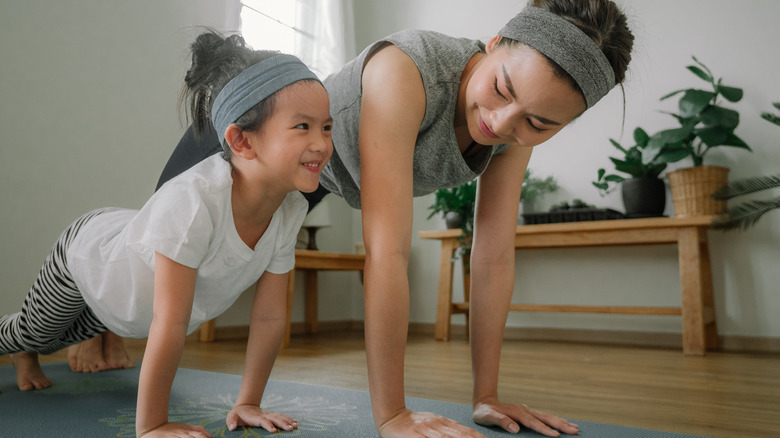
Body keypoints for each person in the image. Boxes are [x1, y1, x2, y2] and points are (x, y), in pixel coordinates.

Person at [154, 1, 635, 436]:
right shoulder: (406, 70)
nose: (502, 123)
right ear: (493, 45)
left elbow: (492, 255)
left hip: (319, 179)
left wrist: (485, 397)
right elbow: (387, 252)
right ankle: (95, 329)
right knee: (148, 261)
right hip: (261, 152)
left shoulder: (511, 131)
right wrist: (391, 414)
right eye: (501, 89)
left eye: (538, 124)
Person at [0, 30, 333, 438]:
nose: (322, 144)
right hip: (87, 256)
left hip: (124, 300)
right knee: (36, 331)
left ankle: (31, 348)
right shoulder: (195, 201)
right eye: (303, 126)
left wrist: (248, 402)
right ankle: (22, 347)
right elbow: (170, 322)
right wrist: (153, 425)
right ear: (242, 141)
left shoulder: (289, 208)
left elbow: (268, 316)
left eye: (328, 127)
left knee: (72, 331)